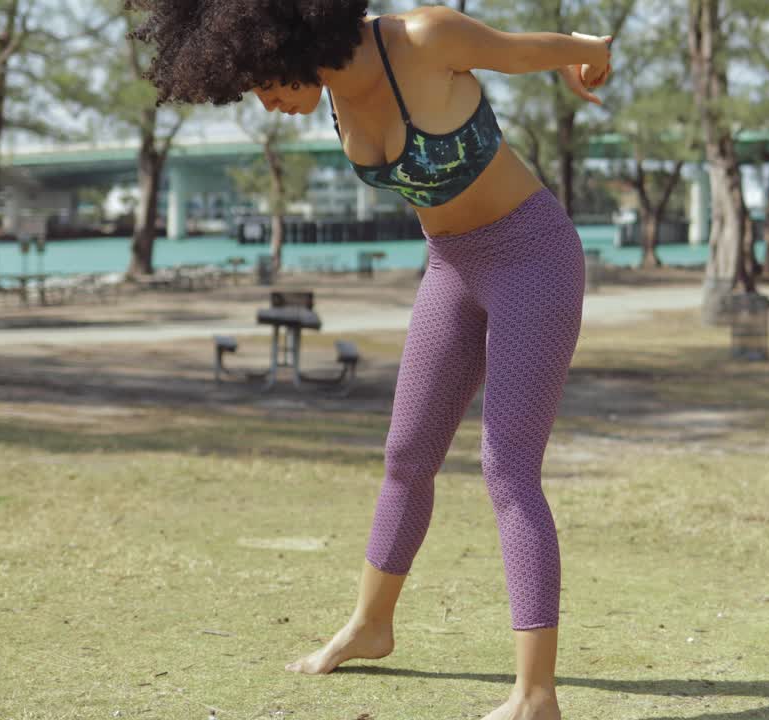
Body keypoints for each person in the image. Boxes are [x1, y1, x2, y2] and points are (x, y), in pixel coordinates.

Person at [130, 3, 613, 719]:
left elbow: (519, 50)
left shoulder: (423, 38)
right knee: (405, 456)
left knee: (508, 469)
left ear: (284, 38)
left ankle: (536, 695)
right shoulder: (332, 93)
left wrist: (588, 50)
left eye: (262, 85)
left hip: (532, 256)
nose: (267, 103)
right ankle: (371, 625)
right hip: (449, 265)